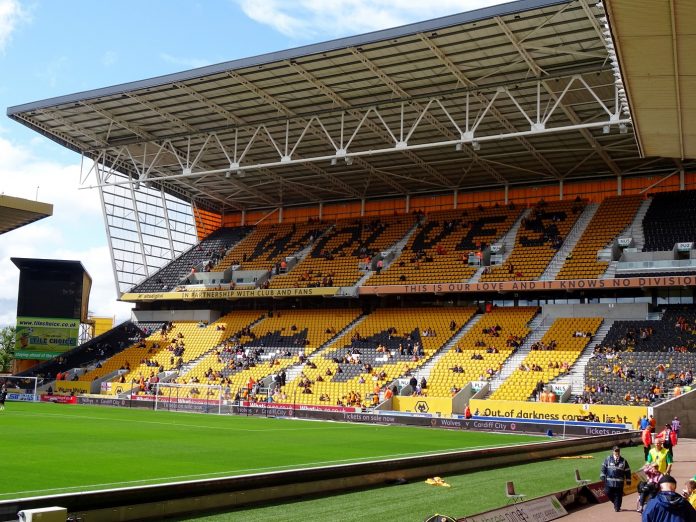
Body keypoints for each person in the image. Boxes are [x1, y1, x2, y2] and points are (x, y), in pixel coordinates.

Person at [601, 445, 632, 512]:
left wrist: (628, 480)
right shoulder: (608, 459)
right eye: (616, 451)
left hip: (619, 482)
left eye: (618, 451)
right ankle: (615, 503)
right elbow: (603, 468)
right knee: (608, 492)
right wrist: (602, 475)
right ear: (613, 451)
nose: (617, 452)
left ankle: (617, 506)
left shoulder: (623, 461)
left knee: (618, 496)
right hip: (609, 481)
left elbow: (627, 471)